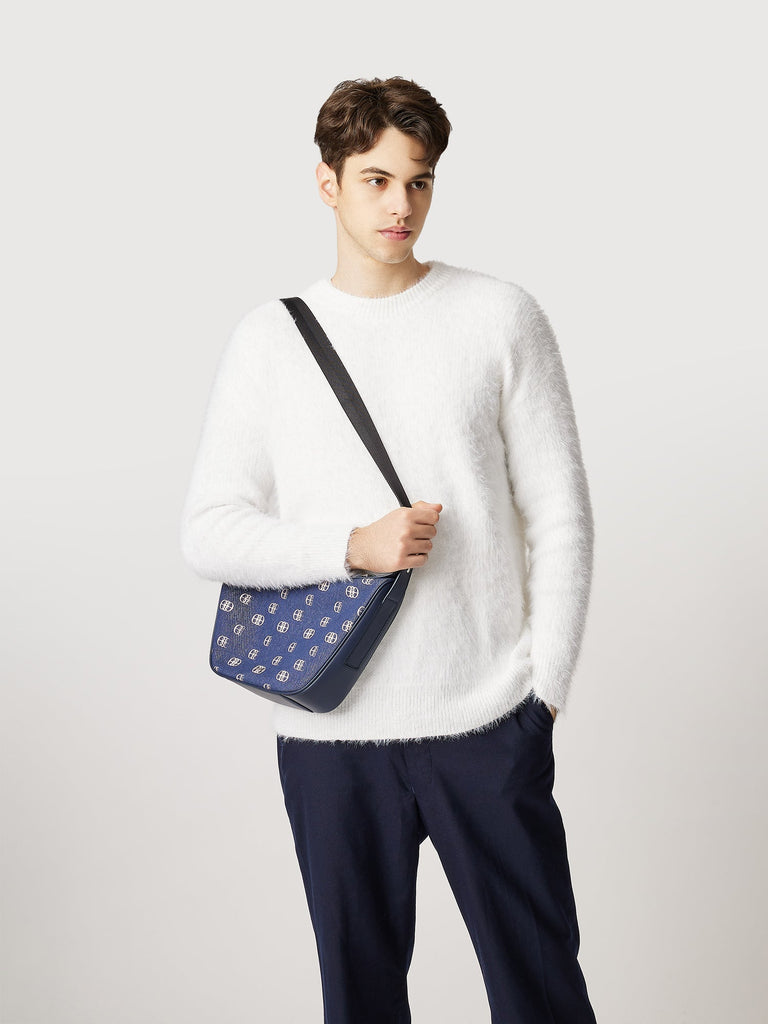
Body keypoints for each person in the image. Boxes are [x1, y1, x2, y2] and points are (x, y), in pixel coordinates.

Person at [181, 76, 597, 1024]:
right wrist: (350, 547)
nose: (399, 204)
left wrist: (543, 693)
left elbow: (562, 515)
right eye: (375, 180)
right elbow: (207, 529)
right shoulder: (270, 341)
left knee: (542, 995)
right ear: (327, 183)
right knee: (360, 1003)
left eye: (419, 181)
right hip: (331, 742)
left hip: (488, 722)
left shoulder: (499, 315)